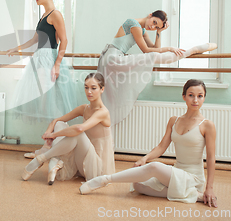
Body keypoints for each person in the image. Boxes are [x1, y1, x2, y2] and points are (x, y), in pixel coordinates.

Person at [79, 79, 218, 208]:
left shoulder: (207, 125)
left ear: (204, 98)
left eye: (200, 96)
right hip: (177, 171)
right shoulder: (174, 120)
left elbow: (211, 159)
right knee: (138, 185)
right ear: (184, 97)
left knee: (155, 167)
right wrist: (144, 158)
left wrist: (209, 188)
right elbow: (161, 147)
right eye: (191, 95)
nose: (195, 100)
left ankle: (104, 180)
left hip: (193, 177)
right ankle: (193, 195)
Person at [97, 11, 217, 125]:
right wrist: (169, 48)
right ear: (150, 15)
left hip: (117, 57)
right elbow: (146, 51)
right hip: (112, 58)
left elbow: (155, 47)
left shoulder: (143, 30)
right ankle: (191, 51)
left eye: (156, 27)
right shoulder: (133, 24)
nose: (152, 27)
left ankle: (190, 51)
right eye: (154, 22)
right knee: (151, 56)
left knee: (151, 58)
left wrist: (159, 33)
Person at [21, 73, 115, 185]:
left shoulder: (103, 112)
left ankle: (42, 159)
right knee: (61, 124)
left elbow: (80, 128)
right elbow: (57, 120)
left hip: (97, 168)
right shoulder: (84, 108)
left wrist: (54, 135)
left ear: (102, 89)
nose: (89, 91)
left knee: (78, 133)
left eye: (93, 88)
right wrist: (48, 133)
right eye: (86, 87)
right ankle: (53, 159)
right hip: (81, 161)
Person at [7, 0, 77, 121]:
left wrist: (57, 65)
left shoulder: (55, 14)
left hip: (48, 58)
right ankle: (52, 137)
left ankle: (55, 136)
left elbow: (64, 40)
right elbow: (34, 40)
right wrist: (17, 48)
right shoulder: (44, 16)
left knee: (48, 98)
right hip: (40, 58)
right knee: (44, 99)